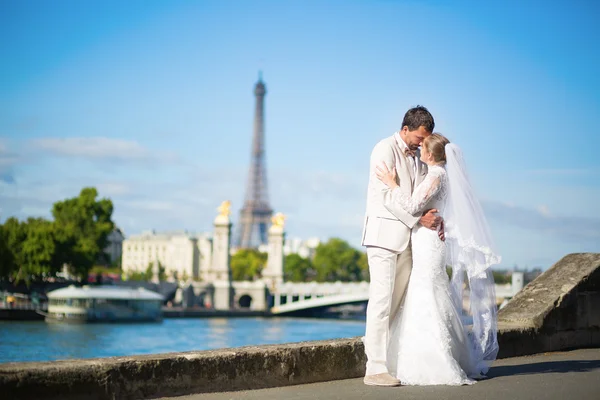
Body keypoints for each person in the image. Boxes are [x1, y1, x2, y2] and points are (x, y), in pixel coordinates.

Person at [376, 133, 500, 385]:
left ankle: (433, 359)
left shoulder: (434, 176)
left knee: (425, 292)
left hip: (427, 240)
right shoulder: (445, 175)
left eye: (422, 148)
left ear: (430, 155)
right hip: (432, 239)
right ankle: (448, 354)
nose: (419, 150)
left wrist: (391, 183)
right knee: (433, 291)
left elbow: (411, 206)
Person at [361, 106, 442, 387]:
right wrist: (420, 218)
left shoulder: (420, 158)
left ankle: (388, 360)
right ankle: (374, 368)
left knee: (396, 304)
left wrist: (428, 215)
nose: (422, 145)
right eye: (419, 138)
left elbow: (418, 196)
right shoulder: (383, 149)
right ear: (405, 129)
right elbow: (386, 196)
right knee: (381, 301)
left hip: (409, 239)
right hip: (383, 237)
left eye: (425, 140)